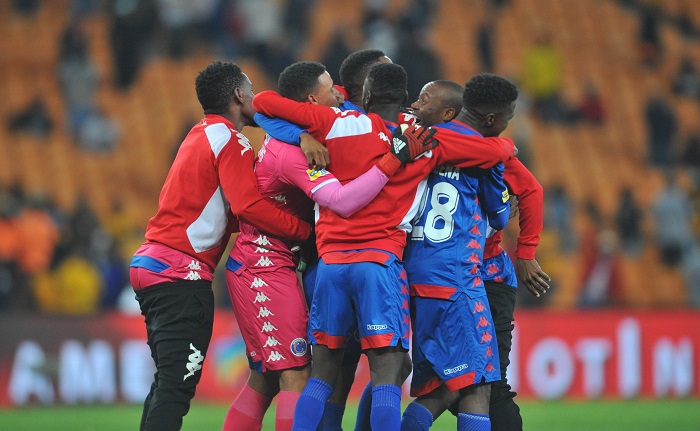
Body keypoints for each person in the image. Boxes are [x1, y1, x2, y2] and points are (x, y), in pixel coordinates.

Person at [253, 62, 515, 430]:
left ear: (368, 96)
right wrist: (506, 144)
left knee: (323, 373)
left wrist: (301, 136)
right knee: (388, 374)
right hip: (380, 263)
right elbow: (490, 153)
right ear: (406, 99)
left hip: (329, 264)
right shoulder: (422, 139)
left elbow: (263, 101)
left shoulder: (335, 122)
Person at [222, 61, 418, 431]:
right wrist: (391, 162)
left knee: (281, 377)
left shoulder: (333, 122)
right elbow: (341, 200)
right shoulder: (307, 144)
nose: (338, 92)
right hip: (277, 262)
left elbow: (266, 106)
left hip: (317, 261)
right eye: (331, 88)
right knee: (326, 370)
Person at [128, 61, 311, 431]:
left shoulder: (202, 133)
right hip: (180, 270)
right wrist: (304, 232)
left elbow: (227, 212)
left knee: (168, 382)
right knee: (176, 389)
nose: (257, 97)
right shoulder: (232, 139)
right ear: (238, 95)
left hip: (154, 263)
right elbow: (248, 206)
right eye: (251, 88)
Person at [405, 76, 550, 431]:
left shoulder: (418, 140)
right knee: (482, 385)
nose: (416, 107)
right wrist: (525, 249)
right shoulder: (488, 150)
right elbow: (519, 198)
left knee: (436, 381)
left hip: (415, 272)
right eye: (507, 118)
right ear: (489, 119)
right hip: (469, 275)